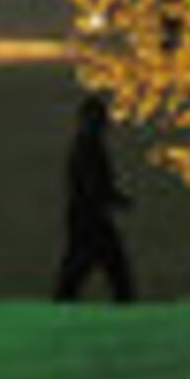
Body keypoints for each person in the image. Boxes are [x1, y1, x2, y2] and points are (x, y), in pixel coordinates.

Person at [53, 87, 138, 304]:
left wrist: (114, 198)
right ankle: (125, 305)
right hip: (91, 218)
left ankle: (62, 305)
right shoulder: (88, 146)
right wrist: (114, 199)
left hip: (85, 216)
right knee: (109, 266)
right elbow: (93, 184)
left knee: (82, 266)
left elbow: (93, 183)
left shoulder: (86, 144)